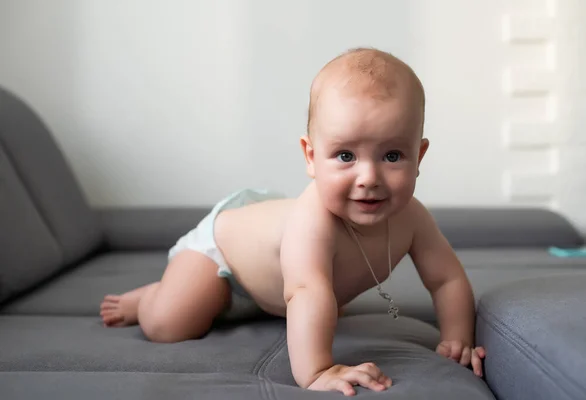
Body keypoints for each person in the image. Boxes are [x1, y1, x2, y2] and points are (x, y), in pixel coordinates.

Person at [100, 47, 485, 396]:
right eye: (346, 156)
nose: (368, 177)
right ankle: (150, 297)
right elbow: (305, 290)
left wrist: (457, 339)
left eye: (392, 156)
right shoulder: (313, 219)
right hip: (224, 255)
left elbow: (446, 278)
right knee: (171, 324)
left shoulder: (413, 218)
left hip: (275, 290)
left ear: (419, 156)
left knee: (317, 302)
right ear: (311, 156)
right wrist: (318, 371)